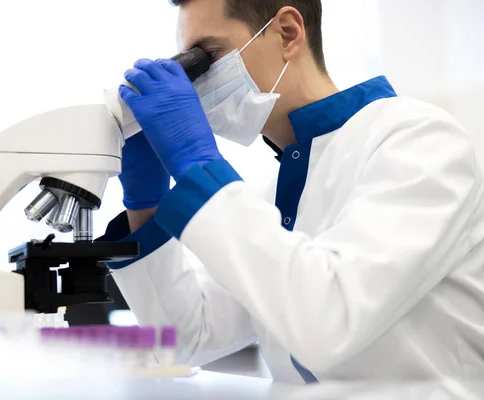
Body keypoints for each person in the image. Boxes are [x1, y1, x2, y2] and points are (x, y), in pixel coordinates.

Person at [101, 0, 484, 383]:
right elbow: (189, 337)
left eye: (207, 57)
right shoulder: (278, 192)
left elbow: (328, 321)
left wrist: (198, 167)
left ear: (288, 33)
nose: (195, 84)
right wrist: (145, 205)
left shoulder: (419, 140)